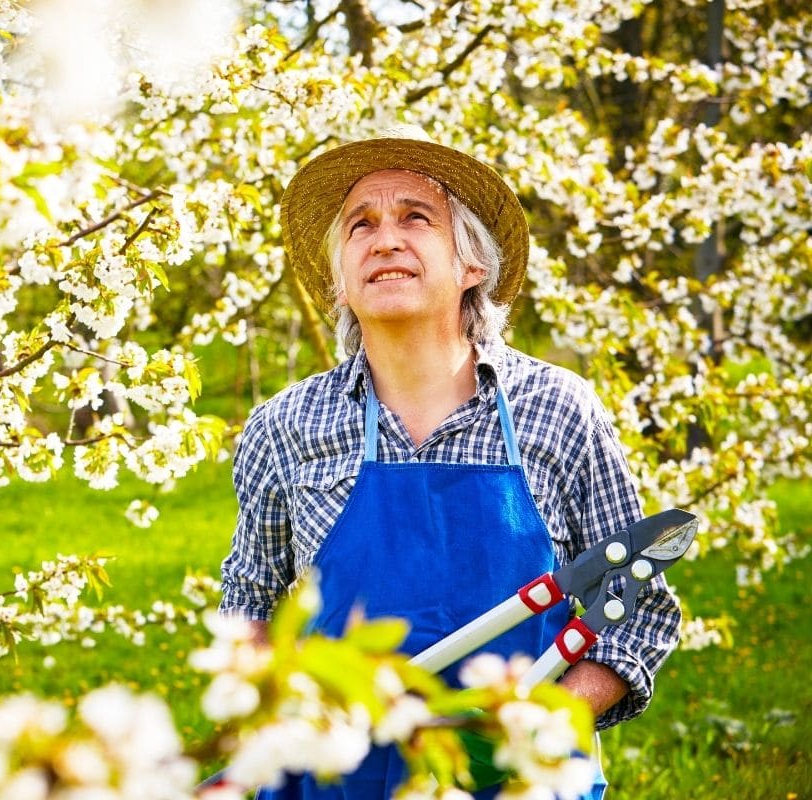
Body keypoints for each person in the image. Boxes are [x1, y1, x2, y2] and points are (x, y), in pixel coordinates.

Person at [219, 129, 682, 799]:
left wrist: (541, 723)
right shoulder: (285, 427)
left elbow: (640, 612)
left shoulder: (558, 408)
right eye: (362, 225)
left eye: (415, 217)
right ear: (341, 281)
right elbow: (249, 601)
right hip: (335, 780)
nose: (385, 239)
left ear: (472, 266)